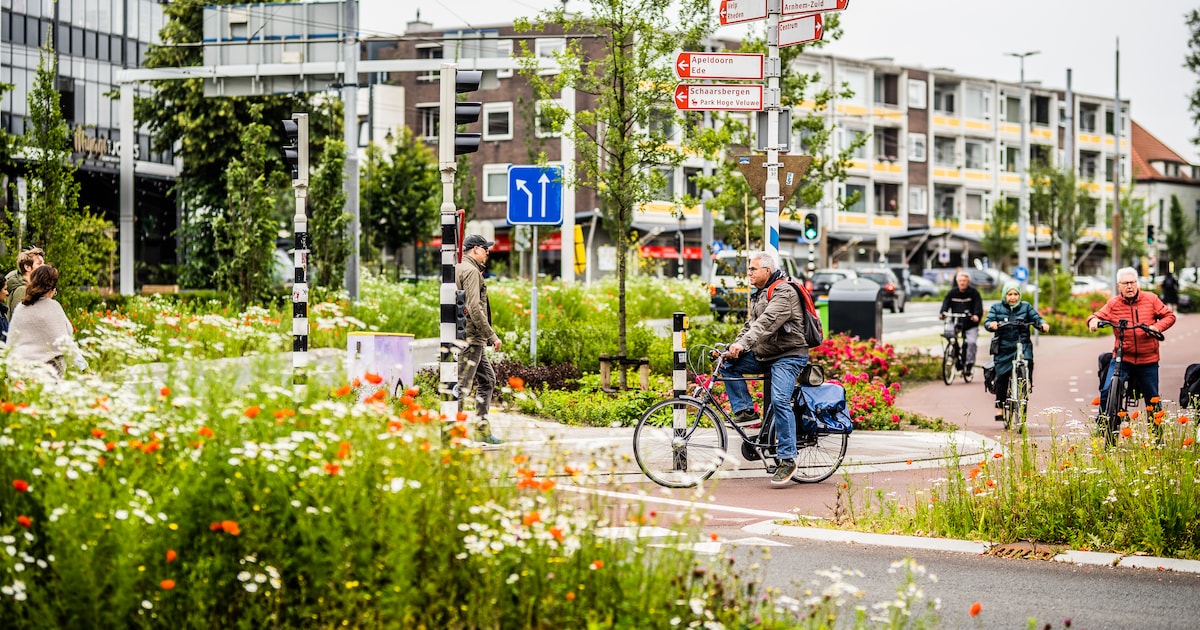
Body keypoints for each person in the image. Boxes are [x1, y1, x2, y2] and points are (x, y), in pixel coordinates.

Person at [720, 250, 809, 486]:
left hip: (789, 355)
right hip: (767, 354)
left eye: (753, 269)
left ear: (767, 271)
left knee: (780, 400)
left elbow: (767, 322)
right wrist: (733, 347)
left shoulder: (783, 292)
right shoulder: (760, 294)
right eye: (748, 268)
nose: (748, 272)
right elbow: (750, 325)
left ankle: (788, 458)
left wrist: (744, 343)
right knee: (728, 364)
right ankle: (746, 411)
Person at [1086, 267, 1176, 421]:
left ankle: (1157, 436)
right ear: (1119, 286)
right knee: (1107, 389)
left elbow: (1169, 316)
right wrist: (1093, 322)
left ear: (1137, 283)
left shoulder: (1151, 299)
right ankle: (1103, 424)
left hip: (1148, 359)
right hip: (1123, 358)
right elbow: (1095, 316)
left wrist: (1156, 327)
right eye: (1125, 283)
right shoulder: (1113, 303)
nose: (1129, 286)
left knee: (1152, 399)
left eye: (1132, 282)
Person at [455, 234, 503, 445]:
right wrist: (491, 335)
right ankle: (451, 431)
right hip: (472, 337)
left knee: (488, 380)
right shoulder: (472, 271)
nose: (488, 253)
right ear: (475, 249)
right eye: (485, 249)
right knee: (461, 386)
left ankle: (481, 430)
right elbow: (474, 306)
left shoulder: (458, 268)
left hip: (469, 335)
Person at [6, 265, 86, 379]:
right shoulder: (53, 307)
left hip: (22, 373)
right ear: (52, 289)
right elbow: (66, 341)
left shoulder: (21, 308)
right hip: (49, 375)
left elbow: (11, 341)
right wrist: (83, 366)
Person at [984, 282, 1049, 422]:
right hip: (1003, 347)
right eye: (1010, 294)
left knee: (1028, 360)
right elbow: (988, 321)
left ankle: (1027, 380)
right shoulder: (996, 307)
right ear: (1005, 295)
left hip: (1022, 343)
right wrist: (992, 324)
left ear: (1019, 295)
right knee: (1001, 377)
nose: (1013, 297)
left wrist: (1043, 324)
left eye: (1015, 294)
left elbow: (1036, 319)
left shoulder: (1026, 307)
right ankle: (1000, 408)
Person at [939, 272, 984, 373]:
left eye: (964, 281)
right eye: (960, 281)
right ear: (957, 282)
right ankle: (955, 355)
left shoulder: (974, 293)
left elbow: (978, 307)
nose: (962, 283)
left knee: (971, 342)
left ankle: (969, 364)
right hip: (955, 321)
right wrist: (942, 313)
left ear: (968, 282)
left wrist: (976, 316)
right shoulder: (952, 293)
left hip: (970, 324)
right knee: (949, 335)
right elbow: (945, 303)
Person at [6, 247, 45, 316]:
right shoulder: (22, 290)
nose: (44, 267)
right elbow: (18, 320)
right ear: (27, 267)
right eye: (39, 264)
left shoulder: (28, 288)